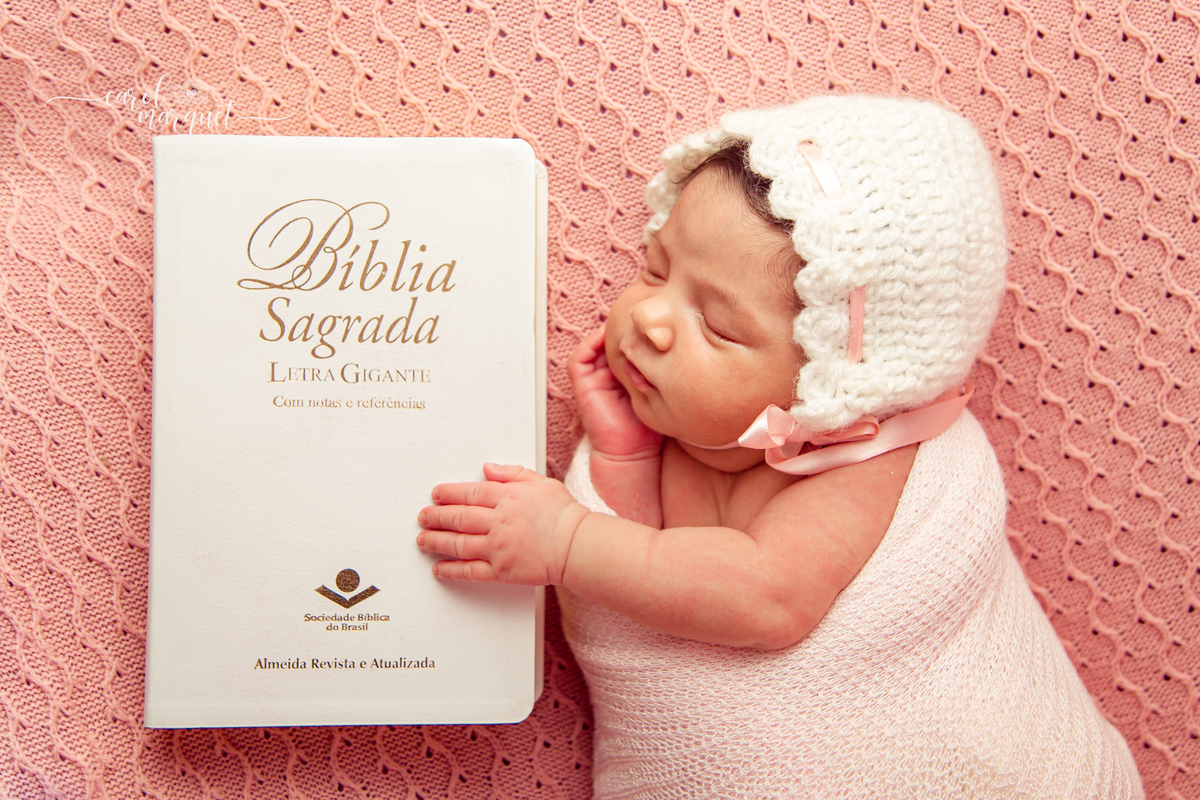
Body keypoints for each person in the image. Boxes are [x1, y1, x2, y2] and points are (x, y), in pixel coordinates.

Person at [416, 95, 1144, 798]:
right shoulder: (701, 440)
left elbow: (765, 597)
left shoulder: (867, 461)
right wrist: (624, 457)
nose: (652, 321)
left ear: (834, 382)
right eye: (656, 269)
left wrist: (567, 540)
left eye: (719, 326)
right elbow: (649, 590)